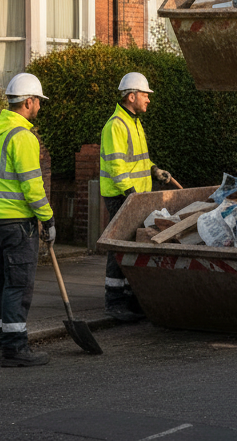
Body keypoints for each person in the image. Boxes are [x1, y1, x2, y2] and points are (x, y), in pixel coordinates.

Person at [0, 72, 55, 367]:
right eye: (38, 101)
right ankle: (15, 348)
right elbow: (32, 186)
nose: (39, 106)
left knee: (0, 281)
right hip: (18, 223)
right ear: (28, 101)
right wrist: (48, 219)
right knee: (19, 285)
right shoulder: (23, 136)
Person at [99, 72, 176, 322]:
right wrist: (131, 195)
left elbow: (139, 161)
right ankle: (115, 301)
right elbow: (116, 167)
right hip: (123, 197)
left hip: (136, 196)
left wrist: (154, 170)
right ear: (131, 96)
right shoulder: (116, 126)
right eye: (145, 95)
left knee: (133, 245)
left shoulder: (134, 123)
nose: (148, 100)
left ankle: (132, 298)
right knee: (119, 245)